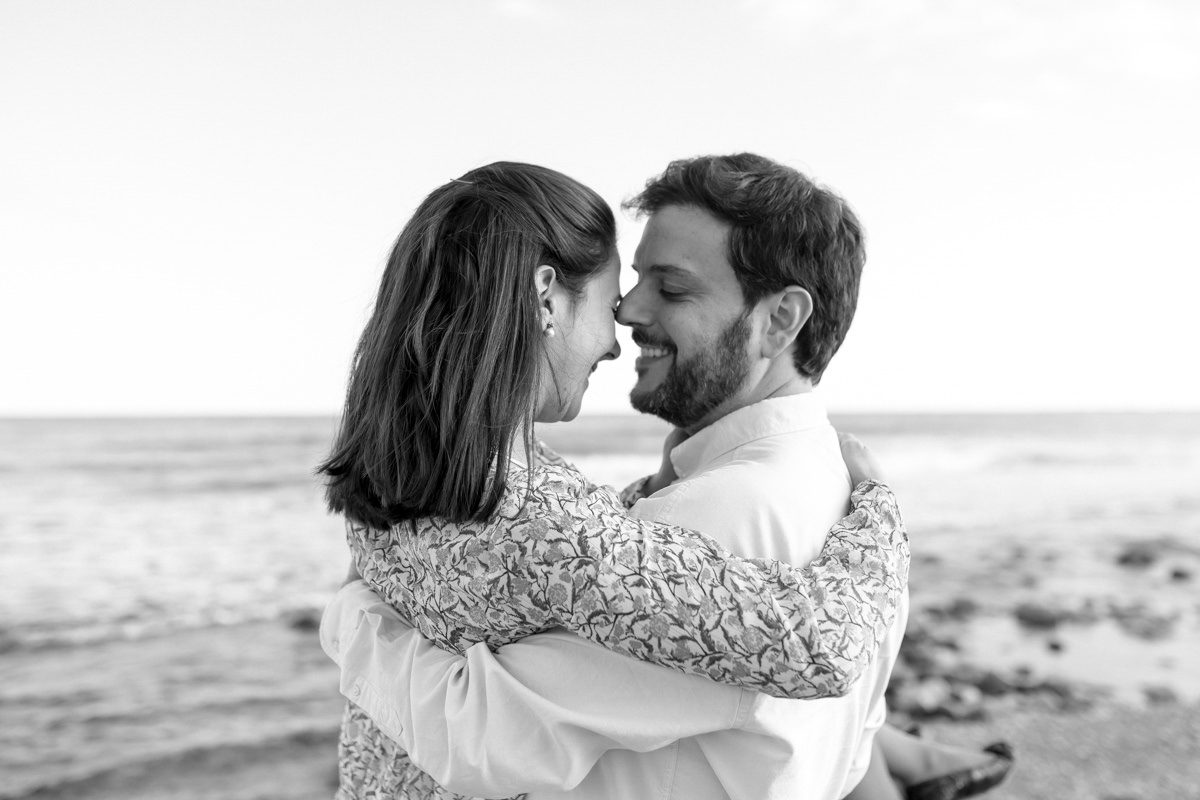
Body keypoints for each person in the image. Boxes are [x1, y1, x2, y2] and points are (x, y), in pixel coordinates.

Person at [321, 155, 1013, 800]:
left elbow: (481, 732)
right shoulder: (826, 493)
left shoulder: (406, 474)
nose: (626, 316)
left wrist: (350, 617)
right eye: (624, 288)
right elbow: (850, 740)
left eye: (671, 287)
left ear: (781, 320)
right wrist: (880, 507)